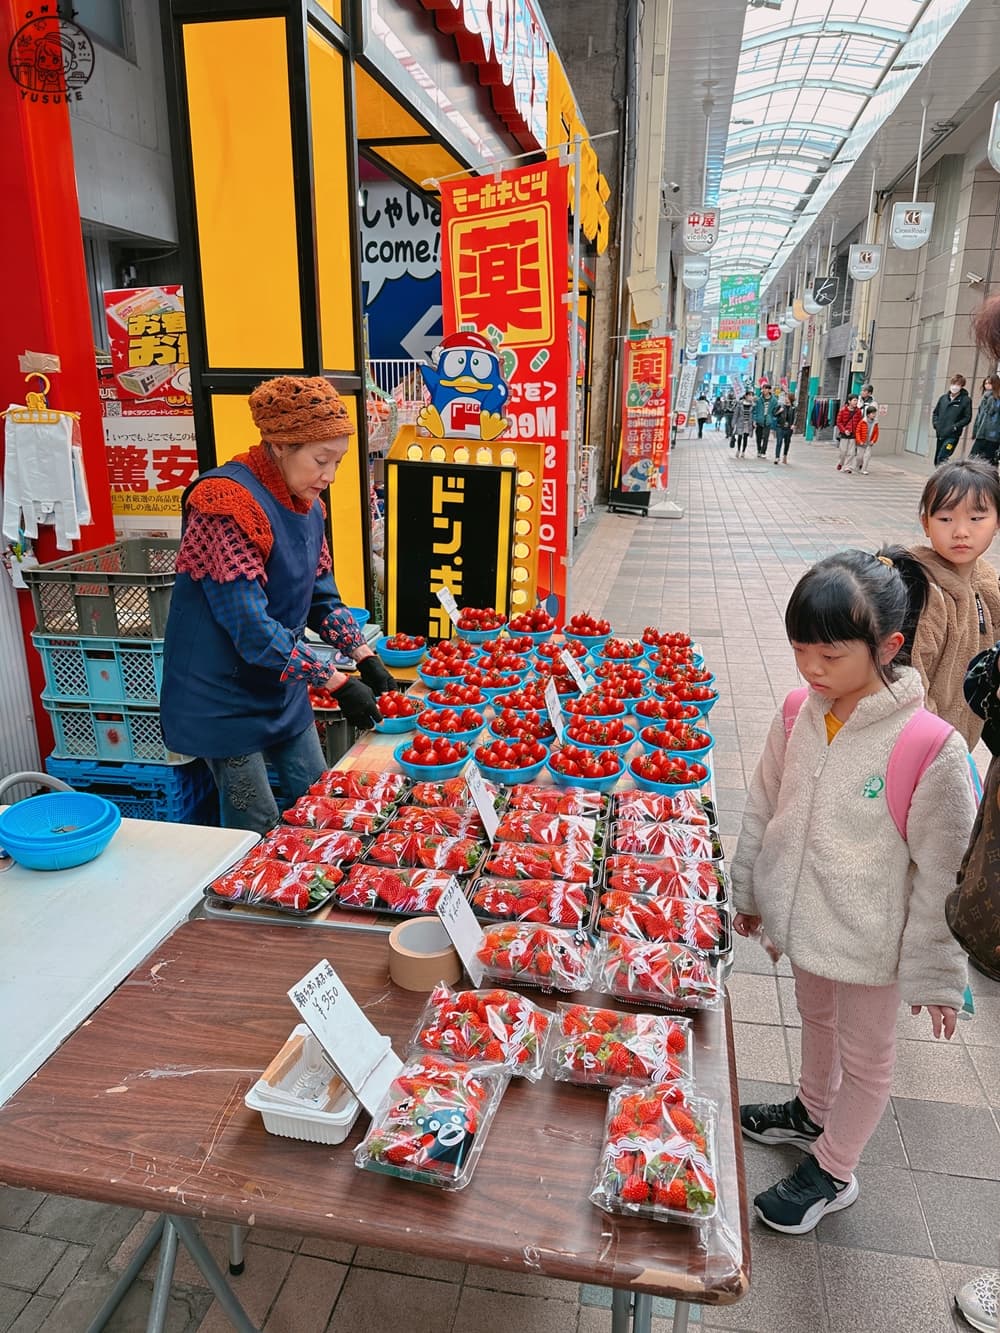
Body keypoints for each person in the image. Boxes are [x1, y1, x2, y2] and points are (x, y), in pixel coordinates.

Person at [732, 548, 975, 1235]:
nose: (811, 669)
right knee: (816, 1014)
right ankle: (810, 1110)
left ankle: (835, 1169)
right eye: (801, 650)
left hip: (872, 941)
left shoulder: (929, 747)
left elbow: (940, 873)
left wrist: (934, 974)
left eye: (830, 655)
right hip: (806, 923)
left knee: (867, 1057)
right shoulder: (797, 712)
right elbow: (764, 804)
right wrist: (750, 889)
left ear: (888, 646)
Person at [160, 375, 396, 833]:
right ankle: (255, 900)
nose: (329, 476)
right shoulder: (224, 503)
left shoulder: (308, 504)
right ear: (281, 445)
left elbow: (321, 598)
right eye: (321, 460)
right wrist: (335, 681)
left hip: (279, 681)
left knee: (320, 796)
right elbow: (250, 626)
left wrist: (364, 657)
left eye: (339, 462)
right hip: (220, 695)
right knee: (257, 821)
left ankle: (318, 880)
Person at [906, 459, 1000, 749]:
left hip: (960, 747)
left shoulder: (988, 586)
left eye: (976, 519)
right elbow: (910, 685)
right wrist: (937, 749)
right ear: (926, 523)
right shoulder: (922, 592)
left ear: (997, 522)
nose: (960, 531)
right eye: (945, 519)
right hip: (923, 752)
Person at [932, 373, 973, 465]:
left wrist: (955, 427)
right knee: (937, 458)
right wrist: (936, 424)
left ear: (962, 386)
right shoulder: (943, 398)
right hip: (941, 433)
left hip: (952, 436)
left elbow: (967, 417)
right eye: (953, 384)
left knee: (943, 456)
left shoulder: (965, 400)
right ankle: (939, 475)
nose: (955, 387)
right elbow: (936, 413)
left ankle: (942, 476)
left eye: (958, 385)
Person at [970, 376, 1000, 464]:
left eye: (989, 383)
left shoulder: (997, 399)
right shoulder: (984, 398)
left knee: (988, 461)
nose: (987, 386)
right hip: (981, 434)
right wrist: (975, 432)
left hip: (993, 436)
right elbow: (979, 417)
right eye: (985, 383)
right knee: (973, 459)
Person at [844, 405, 878, 475]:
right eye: (873, 413)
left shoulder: (875, 423)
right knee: (859, 457)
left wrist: (873, 441)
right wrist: (859, 441)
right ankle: (855, 466)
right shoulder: (862, 422)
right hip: (861, 443)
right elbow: (858, 432)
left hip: (869, 443)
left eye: (875, 413)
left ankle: (863, 469)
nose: (874, 415)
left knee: (867, 457)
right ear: (868, 414)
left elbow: (876, 433)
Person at [835, 394, 862, 471]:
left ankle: (848, 467)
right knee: (843, 452)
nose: (856, 402)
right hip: (844, 434)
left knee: (852, 453)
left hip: (853, 435)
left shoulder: (858, 411)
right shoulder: (843, 410)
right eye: (854, 400)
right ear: (849, 401)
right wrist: (844, 430)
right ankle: (841, 462)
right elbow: (839, 422)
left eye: (857, 400)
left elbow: (860, 423)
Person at [752, 386, 775, 458]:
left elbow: (775, 411)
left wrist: (772, 418)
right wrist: (754, 420)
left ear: (769, 390)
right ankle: (759, 450)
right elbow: (754, 410)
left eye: (766, 388)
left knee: (766, 437)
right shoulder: (758, 400)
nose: (764, 390)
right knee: (758, 437)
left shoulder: (774, 400)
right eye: (763, 389)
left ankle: (763, 451)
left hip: (768, 421)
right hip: (759, 420)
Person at [772, 394, 795, 465]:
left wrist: (793, 425)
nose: (786, 399)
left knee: (787, 442)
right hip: (780, 427)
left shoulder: (793, 408)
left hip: (788, 428)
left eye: (787, 398)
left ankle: (785, 456)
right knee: (779, 442)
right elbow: (774, 414)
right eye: (785, 398)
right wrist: (779, 411)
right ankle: (777, 457)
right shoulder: (780, 406)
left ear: (791, 399)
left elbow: (795, 417)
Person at [731, 389, 754, 458]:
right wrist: (733, 422)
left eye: (752, 395)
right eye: (750, 395)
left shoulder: (752, 405)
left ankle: (743, 452)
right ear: (746, 396)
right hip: (740, 422)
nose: (751, 397)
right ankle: (738, 450)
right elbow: (736, 414)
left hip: (748, 423)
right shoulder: (740, 403)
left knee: (746, 438)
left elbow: (753, 414)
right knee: (740, 437)